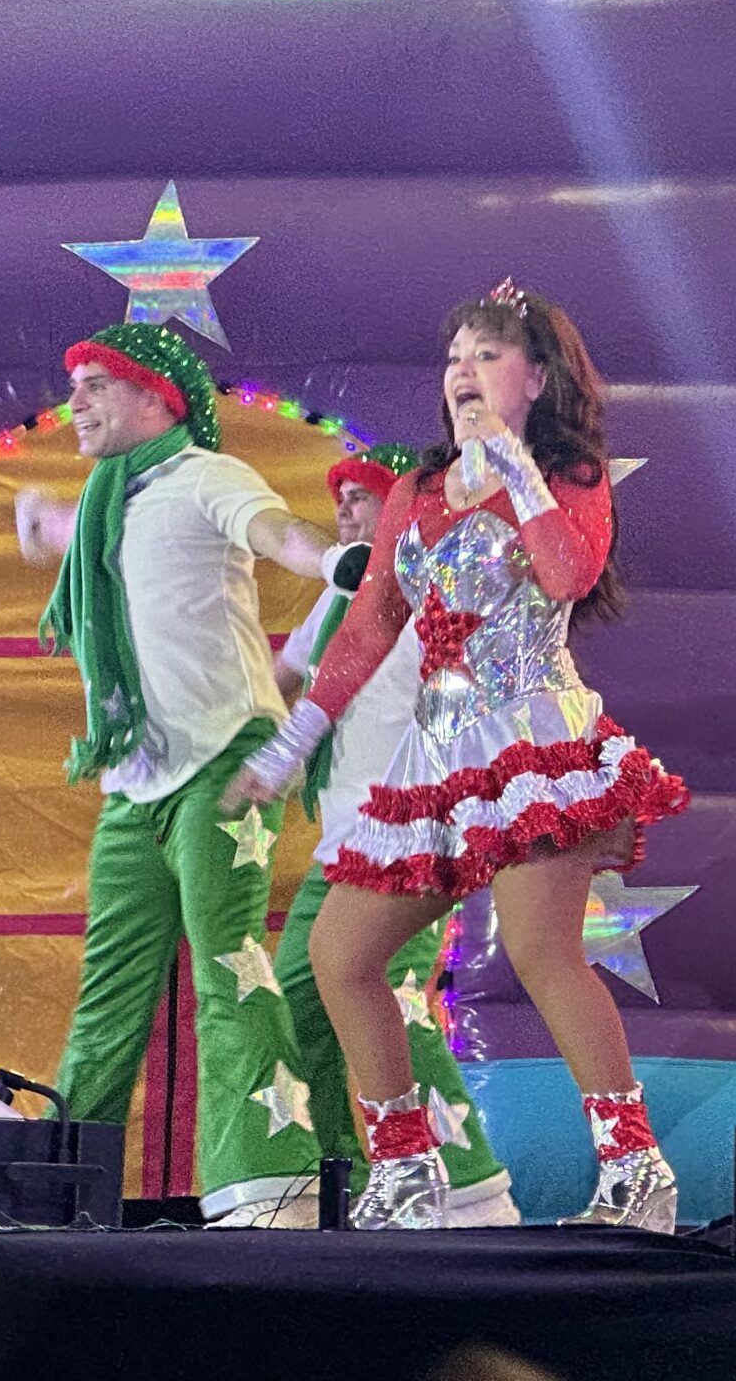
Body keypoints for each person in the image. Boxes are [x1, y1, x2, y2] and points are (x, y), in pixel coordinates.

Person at [226, 281, 689, 1230]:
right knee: (338, 954)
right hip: (434, 755)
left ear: (537, 378)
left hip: (532, 741)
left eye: (486, 354)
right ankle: (406, 1170)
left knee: (541, 951)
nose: (462, 373)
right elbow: (367, 627)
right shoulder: (417, 493)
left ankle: (636, 1172)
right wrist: (291, 744)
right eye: (453, 358)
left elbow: (568, 573)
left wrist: (513, 466)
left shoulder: (570, 477)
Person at [16, 319, 349, 1227]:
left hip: (224, 760)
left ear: (158, 398)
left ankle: (269, 1189)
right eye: (73, 385)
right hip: (135, 782)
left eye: (96, 385)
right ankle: (59, 1200)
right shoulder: (105, 504)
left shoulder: (208, 475)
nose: (76, 402)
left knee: (230, 967)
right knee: (108, 995)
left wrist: (335, 560)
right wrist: (46, 521)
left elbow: (277, 532)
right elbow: (67, 530)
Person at [270, 441, 520, 1226]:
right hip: (339, 841)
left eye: (363, 495)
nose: (343, 509)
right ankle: (346, 1177)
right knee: (300, 994)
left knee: (396, 1003)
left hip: (409, 831)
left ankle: (469, 1189)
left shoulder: (435, 586)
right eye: (339, 497)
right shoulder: (339, 597)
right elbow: (283, 681)